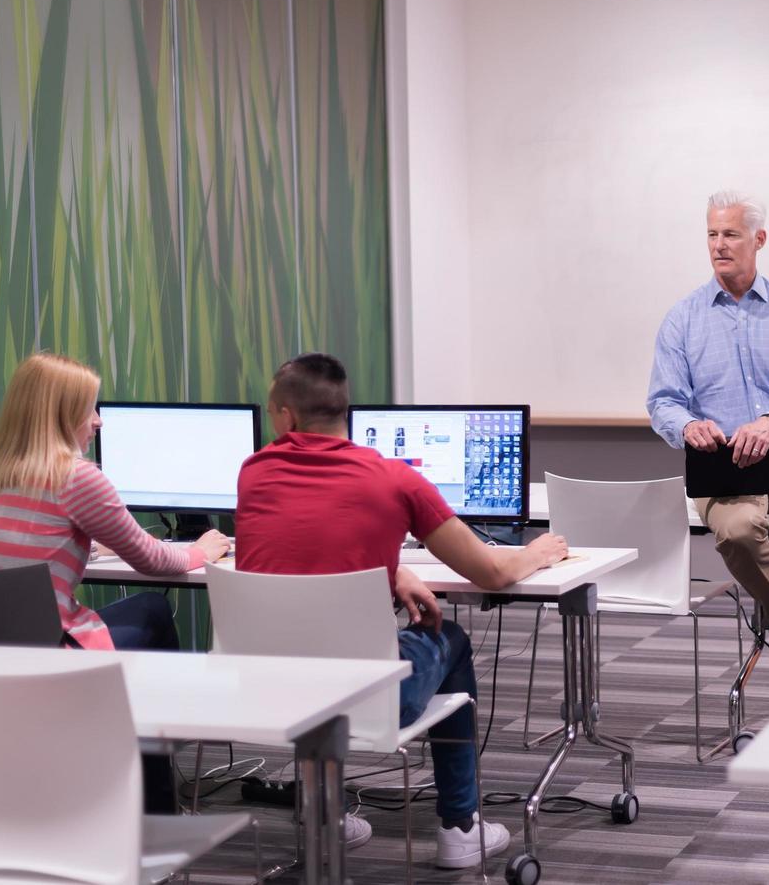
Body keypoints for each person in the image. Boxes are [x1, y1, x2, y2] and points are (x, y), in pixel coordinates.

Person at [234, 353, 567, 868]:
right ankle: (459, 827)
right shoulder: (394, 480)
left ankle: (326, 816)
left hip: (266, 692)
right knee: (448, 636)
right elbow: (493, 574)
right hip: (368, 703)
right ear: (345, 411)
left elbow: (307, 547)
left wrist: (391, 570)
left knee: (303, 649)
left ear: (284, 418)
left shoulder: (253, 473)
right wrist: (538, 552)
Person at [0, 351, 230, 812]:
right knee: (153, 609)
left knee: (138, 631)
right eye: (89, 408)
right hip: (47, 661)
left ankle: (141, 770)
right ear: (61, 415)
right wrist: (200, 551)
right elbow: (153, 558)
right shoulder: (77, 477)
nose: (97, 421)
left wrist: (85, 545)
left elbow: (25, 545)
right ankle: (155, 776)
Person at [646, 190, 769, 689]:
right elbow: (663, 401)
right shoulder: (683, 318)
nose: (718, 245)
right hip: (722, 469)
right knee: (737, 532)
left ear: (759, 239)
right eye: (711, 234)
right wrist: (687, 425)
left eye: (730, 234)